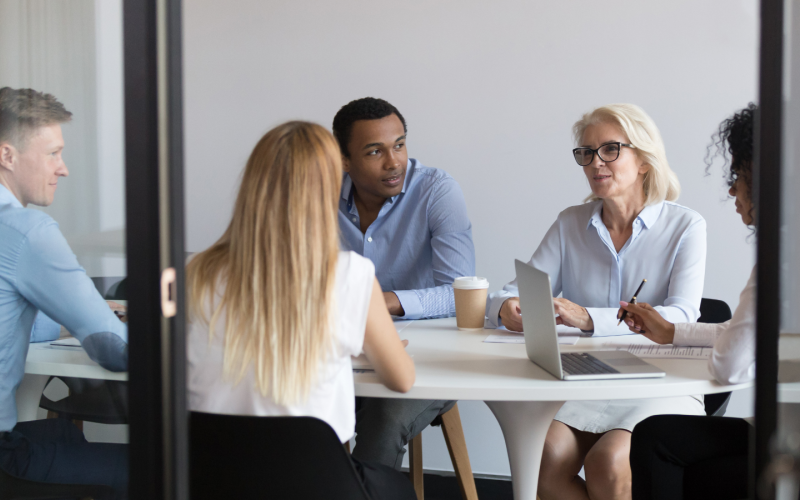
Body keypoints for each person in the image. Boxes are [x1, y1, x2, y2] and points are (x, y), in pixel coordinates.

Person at [486, 103, 708, 500]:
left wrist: (589, 318)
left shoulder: (685, 226)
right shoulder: (571, 221)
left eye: (610, 149)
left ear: (643, 160)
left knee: (608, 462)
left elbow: (682, 315)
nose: (595, 162)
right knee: (545, 457)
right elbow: (509, 293)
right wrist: (507, 310)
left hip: (659, 379)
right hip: (587, 377)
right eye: (586, 153)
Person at [186, 121, 417, 499]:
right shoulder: (350, 275)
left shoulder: (195, 273)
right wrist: (355, 341)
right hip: (316, 485)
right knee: (397, 490)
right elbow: (402, 380)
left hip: (209, 480)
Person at [332, 97, 476, 469]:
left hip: (422, 361)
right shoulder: (319, 196)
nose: (393, 161)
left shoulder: (436, 191)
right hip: (339, 353)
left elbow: (459, 293)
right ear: (344, 161)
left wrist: (382, 303)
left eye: (399, 144)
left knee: (384, 421)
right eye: (374, 151)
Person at [0, 87, 128, 498]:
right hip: (3, 459)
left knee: (64, 434)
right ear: (7, 156)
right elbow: (112, 349)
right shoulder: (28, 233)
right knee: (154, 466)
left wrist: (61, 321)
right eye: (53, 153)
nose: (64, 168)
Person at [625, 104, 757, 500]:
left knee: (655, 441)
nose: (732, 189)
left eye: (738, 175)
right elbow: (744, 335)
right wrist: (674, 332)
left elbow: (730, 367)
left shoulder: (781, 258)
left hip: (785, 437)